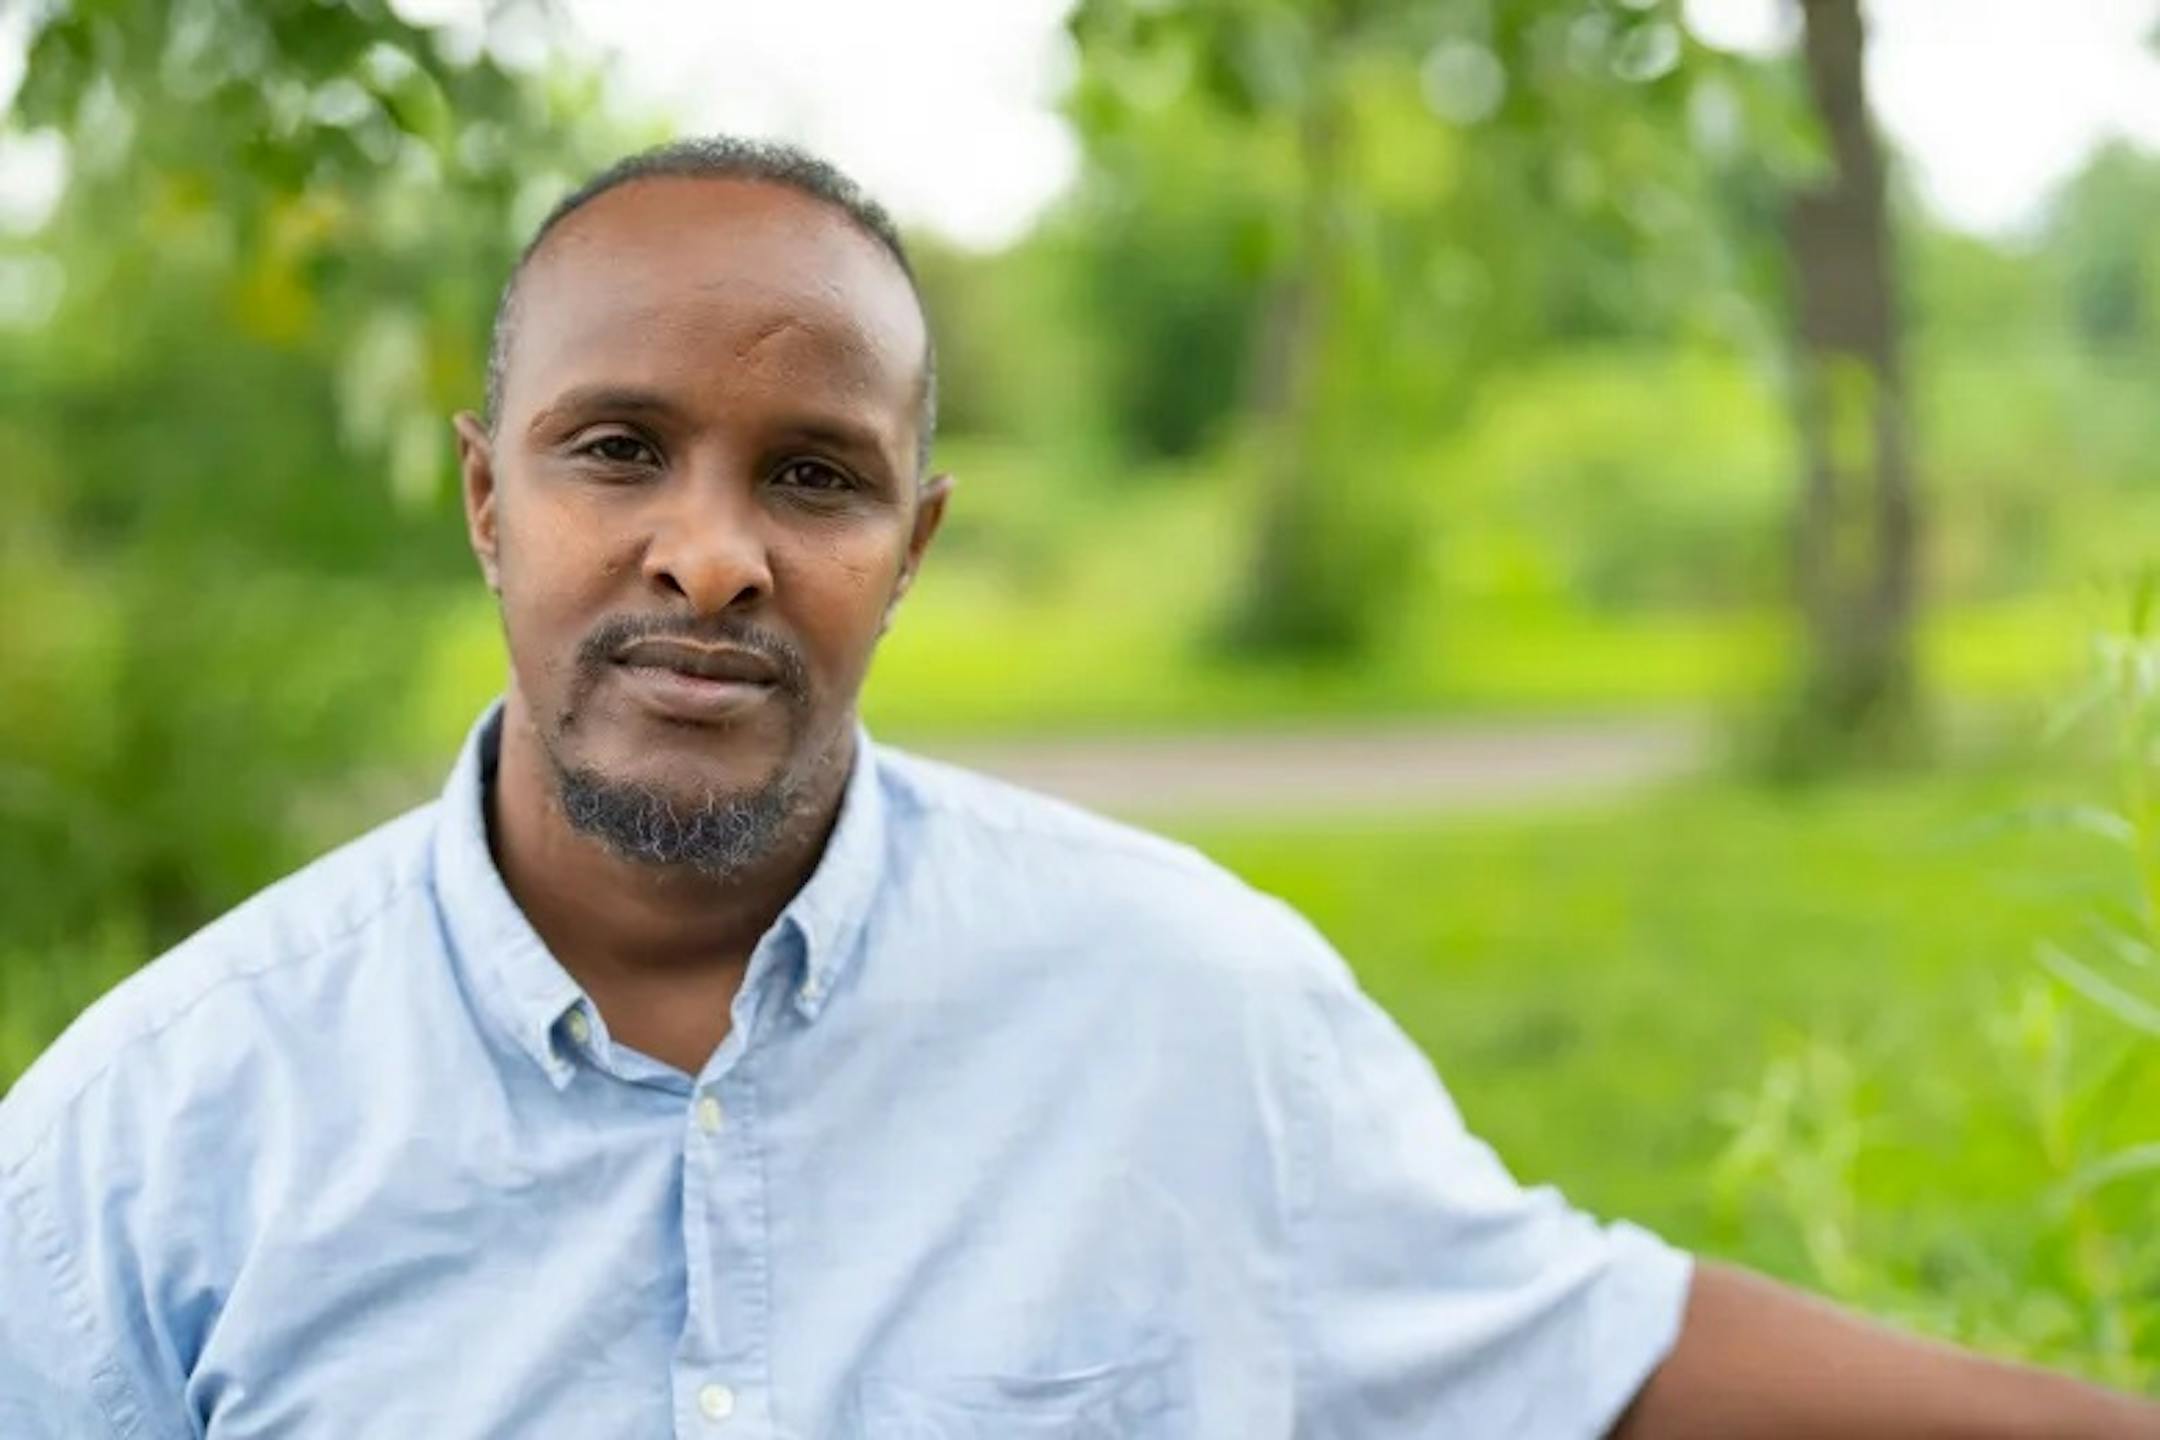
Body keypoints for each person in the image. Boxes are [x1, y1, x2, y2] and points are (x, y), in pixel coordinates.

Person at [0, 137, 2150, 1440]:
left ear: (914, 546)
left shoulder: (1186, 1006)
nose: (713, 554)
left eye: (815, 478)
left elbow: (1586, 1365)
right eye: (619, 451)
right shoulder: (157, 1136)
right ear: (488, 500)